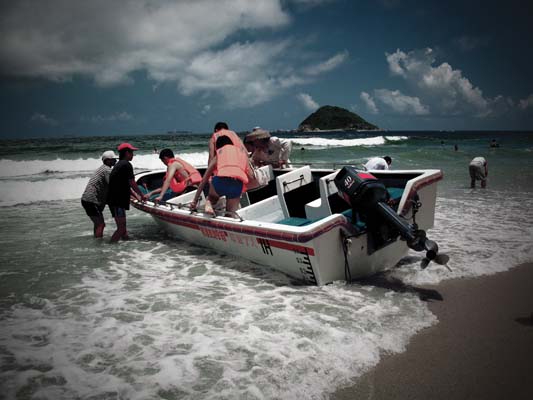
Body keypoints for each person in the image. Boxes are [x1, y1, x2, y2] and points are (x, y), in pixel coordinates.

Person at [191, 135, 249, 216]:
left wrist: (195, 200)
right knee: (230, 214)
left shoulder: (219, 153)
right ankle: (229, 219)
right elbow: (248, 175)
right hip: (237, 185)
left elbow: (204, 179)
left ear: (218, 146)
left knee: (212, 196)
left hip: (220, 183)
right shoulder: (242, 153)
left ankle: (209, 202)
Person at [107, 143, 147, 242]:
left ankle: (125, 250)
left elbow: (124, 185)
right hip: (117, 201)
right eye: (132, 152)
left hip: (114, 200)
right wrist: (141, 195)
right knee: (121, 229)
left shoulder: (119, 165)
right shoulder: (126, 164)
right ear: (126, 153)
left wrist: (135, 196)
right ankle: (108, 248)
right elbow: (132, 183)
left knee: (123, 230)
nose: (133, 155)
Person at [81, 150, 117, 238]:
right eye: (114, 159)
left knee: (98, 224)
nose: (115, 161)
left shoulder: (103, 168)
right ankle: (98, 245)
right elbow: (113, 186)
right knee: (101, 224)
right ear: (108, 160)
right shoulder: (107, 170)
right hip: (91, 200)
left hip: (87, 200)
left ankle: (96, 241)